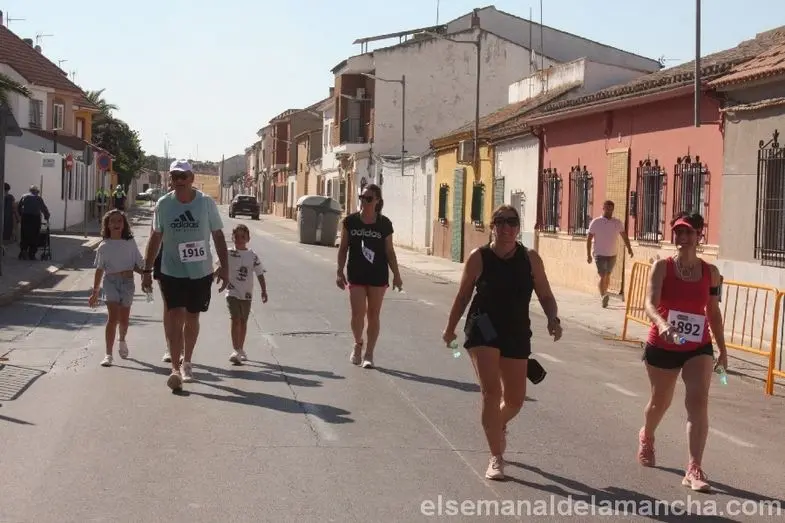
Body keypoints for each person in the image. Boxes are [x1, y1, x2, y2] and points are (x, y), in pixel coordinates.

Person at [442, 204, 563, 481]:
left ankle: (497, 424)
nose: (506, 227)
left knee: (515, 399)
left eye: (512, 222)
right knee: (491, 392)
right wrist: (450, 329)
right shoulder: (479, 257)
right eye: (500, 221)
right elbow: (463, 296)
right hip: (483, 326)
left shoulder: (530, 259)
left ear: (518, 227)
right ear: (492, 225)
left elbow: (545, 295)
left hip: (516, 330)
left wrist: (553, 319)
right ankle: (496, 457)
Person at [639, 212, 727, 493]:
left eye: (689, 232)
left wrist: (722, 349)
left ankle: (694, 467)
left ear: (700, 235)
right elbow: (649, 303)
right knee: (660, 402)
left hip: (697, 345)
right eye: (678, 232)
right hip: (663, 343)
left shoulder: (711, 272)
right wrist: (663, 324)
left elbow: (712, 312)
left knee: (698, 401)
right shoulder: (662, 267)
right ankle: (647, 435)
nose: (682, 237)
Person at [141, 160, 229, 391]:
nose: (179, 180)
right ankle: (175, 368)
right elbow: (155, 237)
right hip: (172, 271)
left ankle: (187, 361)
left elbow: (218, 235)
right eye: (175, 176)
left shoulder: (206, 203)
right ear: (170, 179)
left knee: (192, 318)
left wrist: (225, 266)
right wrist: (147, 270)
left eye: (183, 176)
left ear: (191, 178)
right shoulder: (163, 204)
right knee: (175, 316)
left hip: (200, 272)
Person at [336, 183, 402, 369]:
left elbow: (389, 252)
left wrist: (397, 275)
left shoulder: (384, 224)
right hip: (356, 274)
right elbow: (343, 248)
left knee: (374, 314)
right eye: (362, 198)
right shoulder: (350, 222)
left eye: (368, 199)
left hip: (377, 275)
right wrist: (339, 271)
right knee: (357, 314)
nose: (364, 202)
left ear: (377, 201)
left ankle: (369, 353)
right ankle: (358, 343)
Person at [89, 210, 144, 367]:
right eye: (112, 221)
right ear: (107, 225)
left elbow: (138, 263)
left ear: (124, 224)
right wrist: (95, 292)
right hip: (110, 282)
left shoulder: (130, 242)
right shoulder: (104, 246)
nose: (116, 224)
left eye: (119, 221)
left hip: (127, 282)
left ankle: (122, 340)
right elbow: (99, 269)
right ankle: (108, 354)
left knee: (124, 320)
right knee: (113, 318)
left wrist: (146, 274)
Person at [224, 223, 268, 364]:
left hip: (247, 294)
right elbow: (220, 267)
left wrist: (264, 290)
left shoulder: (252, 256)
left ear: (248, 239)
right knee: (235, 318)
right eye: (236, 236)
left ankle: (241, 348)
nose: (239, 239)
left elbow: (260, 273)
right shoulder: (228, 253)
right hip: (232, 291)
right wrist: (211, 278)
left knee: (243, 321)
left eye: (243, 237)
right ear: (232, 238)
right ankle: (235, 349)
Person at [586, 200, 633, 308]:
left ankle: (605, 293)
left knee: (607, 275)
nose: (609, 211)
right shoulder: (596, 222)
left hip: (612, 254)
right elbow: (589, 239)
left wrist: (629, 248)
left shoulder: (617, 222)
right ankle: (603, 296)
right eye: (607, 208)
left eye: (611, 209)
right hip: (599, 254)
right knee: (602, 275)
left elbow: (624, 236)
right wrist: (588, 254)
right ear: (603, 208)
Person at [17, 185, 50, 261]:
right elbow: (43, 208)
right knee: (34, 235)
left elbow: (19, 207)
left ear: (30, 190)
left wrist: (21, 214)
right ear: (36, 191)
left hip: (25, 218)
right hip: (35, 218)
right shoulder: (38, 198)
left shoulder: (24, 196)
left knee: (24, 235)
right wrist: (47, 216)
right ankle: (31, 254)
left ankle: (23, 251)